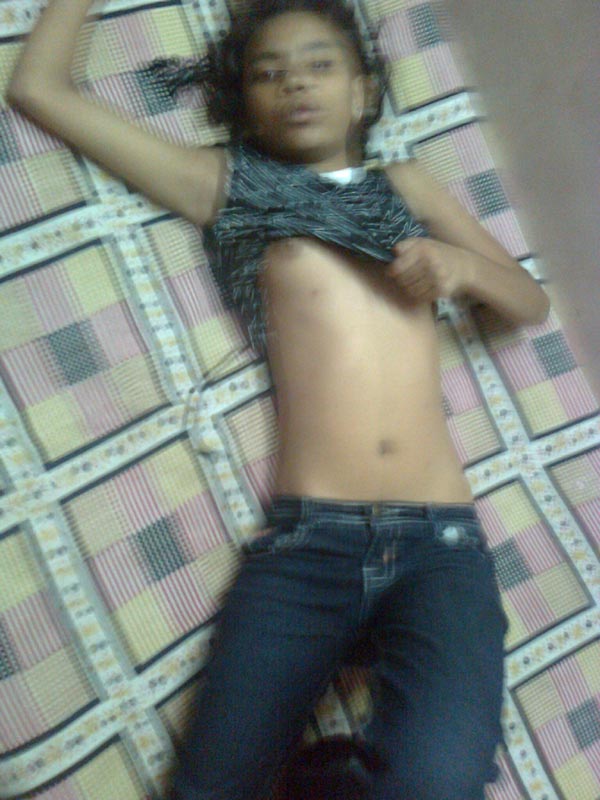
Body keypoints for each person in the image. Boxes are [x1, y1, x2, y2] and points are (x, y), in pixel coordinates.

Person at [8, 1, 550, 798]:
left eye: (319, 64)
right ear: (245, 104)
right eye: (269, 73)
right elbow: (40, 90)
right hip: (308, 546)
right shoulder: (229, 186)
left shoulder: (406, 185)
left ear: (364, 93)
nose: (295, 82)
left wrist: (462, 268)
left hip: (442, 547)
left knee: (440, 786)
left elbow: (528, 304)